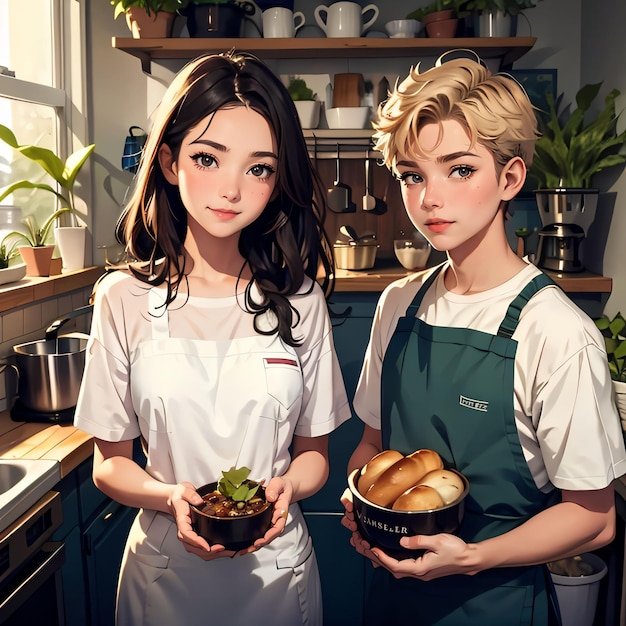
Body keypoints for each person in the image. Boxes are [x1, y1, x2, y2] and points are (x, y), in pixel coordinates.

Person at [341, 54, 626, 625]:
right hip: (391, 596)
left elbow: (594, 518)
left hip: (495, 601)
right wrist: (363, 503)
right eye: (413, 176)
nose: (431, 198)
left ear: (510, 178)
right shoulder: (398, 303)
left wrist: (471, 557)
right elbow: (373, 443)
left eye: (460, 169)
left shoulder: (557, 332)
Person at [74, 51, 351, 626]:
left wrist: (284, 491)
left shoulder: (300, 301)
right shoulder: (122, 299)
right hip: (164, 576)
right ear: (171, 164)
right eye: (208, 158)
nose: (231, 189)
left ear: (277, 183)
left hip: (276, 575)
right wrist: (169, 496)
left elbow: (315, 459)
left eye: (258, 169)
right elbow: (110, 466)